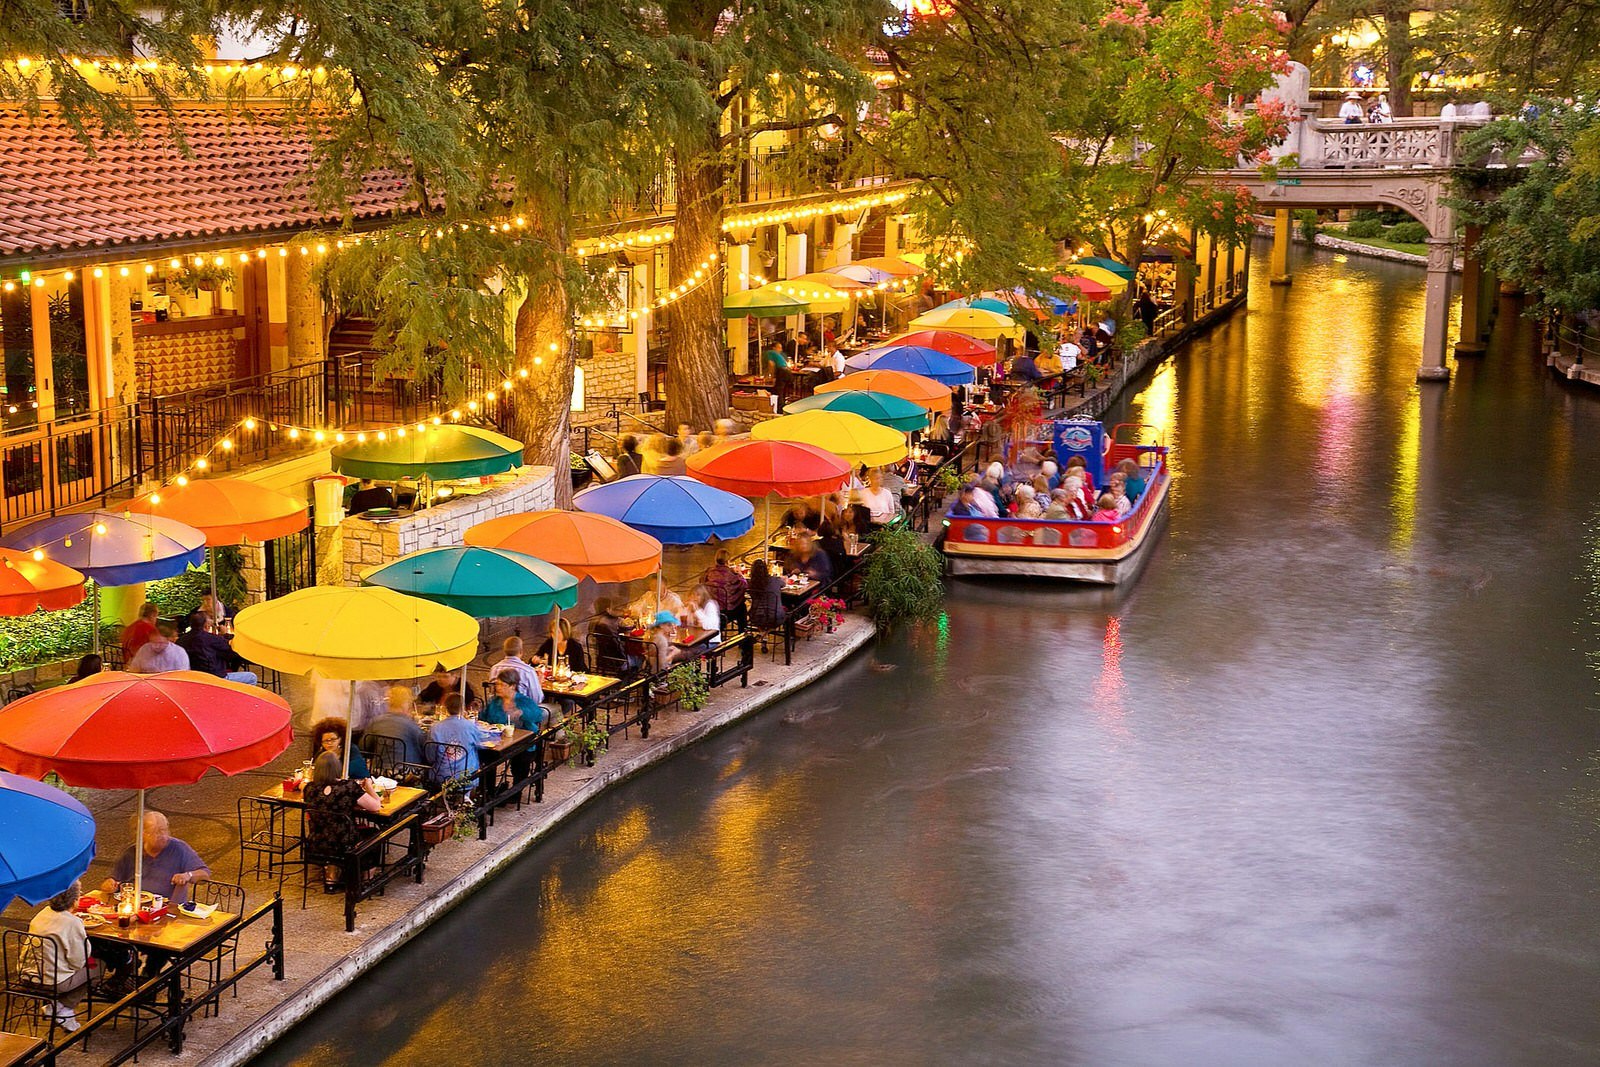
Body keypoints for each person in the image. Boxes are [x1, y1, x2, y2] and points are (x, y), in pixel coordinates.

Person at [303, 751, 382, 893]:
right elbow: (376, 806)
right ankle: (366, 880)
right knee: (375, 834)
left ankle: (331, 881)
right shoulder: (348, 787)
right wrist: (369, 786)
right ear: (337, 768)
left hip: (317, 842)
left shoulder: (309, 789)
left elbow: (326, 803)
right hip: (344, 843)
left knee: (331, 829)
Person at [26, 881, 94, 1031]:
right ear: (75, 899)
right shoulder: (72, 922)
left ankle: (56, 1006)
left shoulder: (42, 913)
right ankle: (64, 1008)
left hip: (28, 974)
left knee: (79, 964)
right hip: (52, 980)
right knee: (97, 966)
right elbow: (78, 962)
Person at [103, 811, 210, 906]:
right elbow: (112, 881)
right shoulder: (131, 852)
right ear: (142, 834)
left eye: (163, 830)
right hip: (133, 905)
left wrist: (188, 875)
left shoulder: (179, 848)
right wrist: (109, 884)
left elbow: (205, 875)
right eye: (155, 831)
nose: (161, 835)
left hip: (168, 908)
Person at [428, 694, 498, 782]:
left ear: (446, 708)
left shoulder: (435, 728)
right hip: (467, 776)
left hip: (441, 776)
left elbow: (430, 756)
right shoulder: (469, 726)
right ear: (463, 708)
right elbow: (482, 744)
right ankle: (474, 794)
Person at [178, 611, 257, 684]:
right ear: (206, 625)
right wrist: (225, 635)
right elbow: (232, 652)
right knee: (252, 677)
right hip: (214, 679)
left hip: (192, 679)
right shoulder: (212, 639)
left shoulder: (181, 640)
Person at [363, 686, 427, 765]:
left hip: (379, 771)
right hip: (408, 773)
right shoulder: (411, 726)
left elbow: (364, 748)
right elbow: (425, 752)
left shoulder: (375, 722)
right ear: (405, 704)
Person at [482, 670, 547, 732]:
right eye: (497, 684)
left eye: (502, 685)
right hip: (497, 738)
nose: (498, 688)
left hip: (521, 740)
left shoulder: (524, 702)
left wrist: (523, 713)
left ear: (512, 686)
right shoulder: (494, 702)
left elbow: (538, 716)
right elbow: (483, 719)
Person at [589, 598, 643, 673]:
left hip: (601, 659)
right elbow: (618, 647)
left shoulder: (594, 622)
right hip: (619, 661)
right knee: (640, 657)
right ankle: (635, 677)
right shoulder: (609, 623)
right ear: (608, 609)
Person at [489, 636, 544, 704]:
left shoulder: (494, 668)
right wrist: (538, 683)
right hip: (521, 712)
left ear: (504, 651)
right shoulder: (528, 671)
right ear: (521, 651)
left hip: (497, 711)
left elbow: (491, 695)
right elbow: (537, 699)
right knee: (555, 708)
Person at [703, 551, 748, 630]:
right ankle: (743, 634)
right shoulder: (731, 575)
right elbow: (744, 585)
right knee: (742, 607)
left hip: (712, 608)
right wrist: (740, 574)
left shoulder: (708, 572)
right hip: (726, 611)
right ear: (728, 561)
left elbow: (702, 583)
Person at [747, 560, 784, 630]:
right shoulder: (774, 580)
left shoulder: (751, 584)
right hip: (776, 617)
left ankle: (763, 633)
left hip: (756, 617)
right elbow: (783, 583)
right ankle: (765, 634)